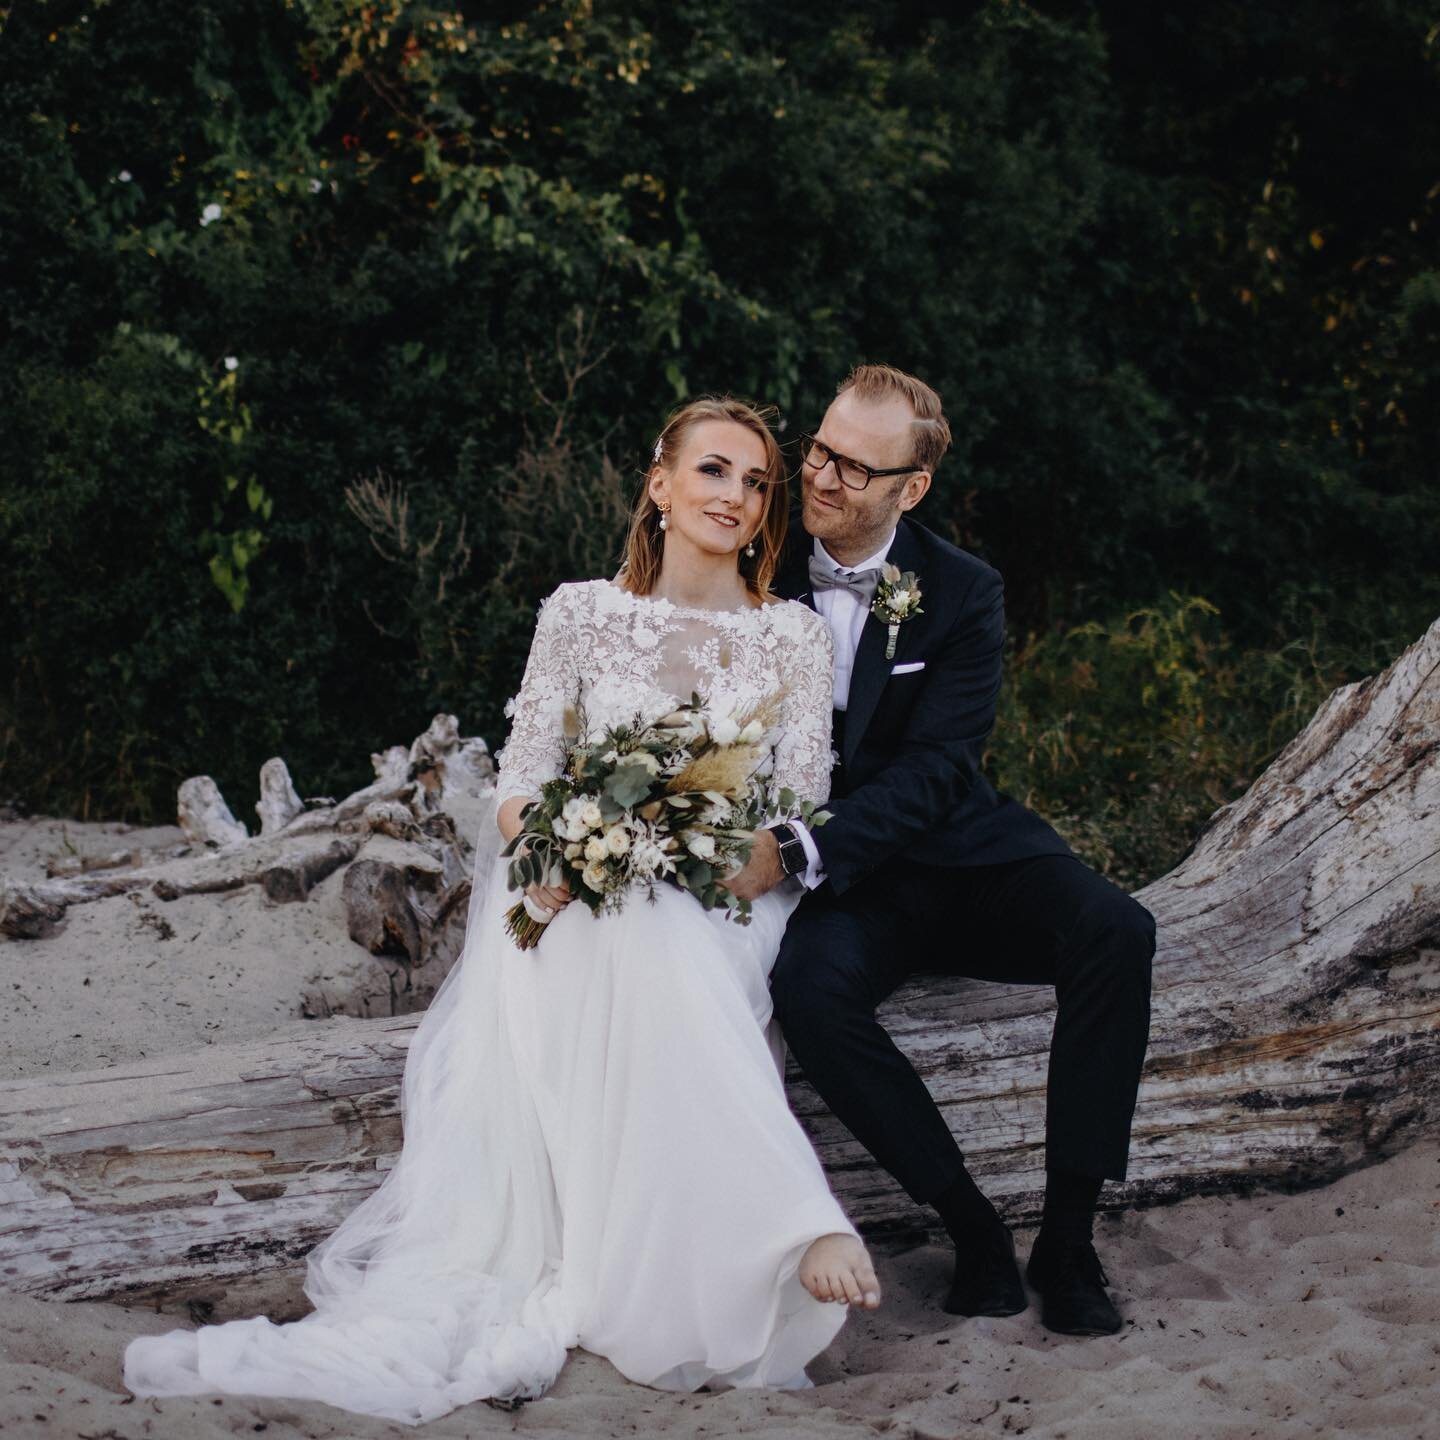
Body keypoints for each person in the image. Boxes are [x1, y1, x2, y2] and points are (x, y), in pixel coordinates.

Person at [122, 397, 880, 1427]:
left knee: (656, 921)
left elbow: (794, 805)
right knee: (617, 915)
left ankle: (783, 1228)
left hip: (725, 898)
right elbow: (521, 781)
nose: (736, 498)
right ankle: (797, 1221)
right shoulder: (577, 612)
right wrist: (569, 841)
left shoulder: (788, 635)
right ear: (658, 484)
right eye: (713, 472)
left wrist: (681, 841)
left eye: (756, 484)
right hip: (573, 884)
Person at [724, 363, 1156, 1338]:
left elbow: (935, 770)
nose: (823, 479)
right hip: (851, 896)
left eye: (854, 470)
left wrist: (789, 847)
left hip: (956, 853)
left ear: (911, 488)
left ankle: (1070, 1238)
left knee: (1117, 932)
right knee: (811, 997)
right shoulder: (759, 555)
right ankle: (968, 1224)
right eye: (820, 451)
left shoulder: (962, 591)